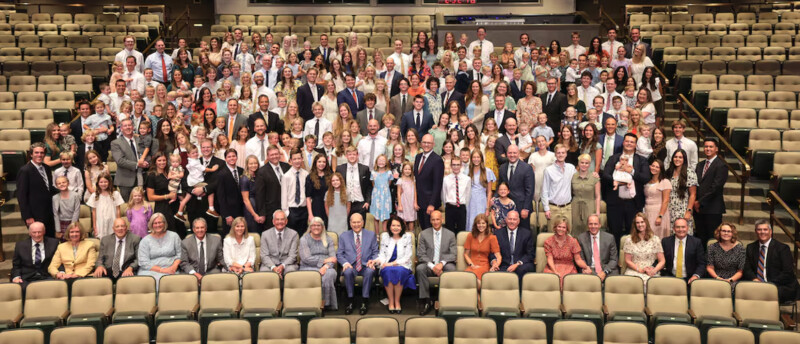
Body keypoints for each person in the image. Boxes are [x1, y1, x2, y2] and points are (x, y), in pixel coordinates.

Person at [602, 133, 650, 244]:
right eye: (627, 141)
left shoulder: (642, 160)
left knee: (633, 233)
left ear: (635, 145)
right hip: (615, 202)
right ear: (623, 143)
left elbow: (646, 177)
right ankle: (615, 259)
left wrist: (631, 171)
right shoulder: (614, 158)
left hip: (633, 203)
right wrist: (618, 182)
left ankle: (631, 259)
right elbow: (605, 175)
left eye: (632, 142)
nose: (629, 144)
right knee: (614, 233)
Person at [743, 220, 800, 303]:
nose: (762, 232)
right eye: (759, 229)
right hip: (757, 283)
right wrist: (754, 279)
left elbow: (787, 273)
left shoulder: (782, 248)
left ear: (770, 231)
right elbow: (747, 268)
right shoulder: (750, 247)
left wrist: (768, 284)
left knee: (764, 294)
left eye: (765, 229)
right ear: (756, 231)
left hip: (780, 285)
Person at [416, 211, 457, 315]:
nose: (435, 222)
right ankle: (426, 301)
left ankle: (446, 300)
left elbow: (453, 254)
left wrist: (441, 264)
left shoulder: (450, 234)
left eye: (437, 219)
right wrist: (433, 266)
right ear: (430, 220)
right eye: (433, 219)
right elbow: (421, 254)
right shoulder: (424, 234)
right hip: (429, 264)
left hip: (445, 264)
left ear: (442, 220)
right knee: (420, 268)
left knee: (452, 269)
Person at [337, 213, 379, 315]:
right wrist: (345, 263)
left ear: (363, 222)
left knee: (370, 271)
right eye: (354, 222)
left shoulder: (371, 235)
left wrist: (372, 261)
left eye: (358, 222)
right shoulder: (344, 236)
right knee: (347, 272)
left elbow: (375, 252)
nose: (356, 224)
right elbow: (339, 254)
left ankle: (364, 300)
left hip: (365, 265)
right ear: (350, 223)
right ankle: (350, 300)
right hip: (351, 265)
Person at [18, 143, 59, 237]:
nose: (39, 155)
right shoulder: (25, 171)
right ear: (31, 154)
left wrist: (64, 192)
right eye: (36, 153)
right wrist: (27, 216)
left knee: (50, 240)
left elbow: (48, 188)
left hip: (48, 212)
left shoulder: (47, 168)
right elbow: (21, 196)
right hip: (34, 214)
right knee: (38, 241)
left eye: (41, 153)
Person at [378, 216, 416, 314]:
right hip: (387, 266)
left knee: (398, 271)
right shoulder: (385, 236)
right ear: (389, 226)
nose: (395, 227)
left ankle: (397, 301)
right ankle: (391, 301)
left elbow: (407, 257)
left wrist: (391, 264)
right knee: (388, 271)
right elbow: (382, 254)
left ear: (402, 227)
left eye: (398, 225)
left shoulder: (407, 237)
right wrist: (378, 261)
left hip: (403, 265)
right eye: (393, 225)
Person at [299, 217, 338, 310]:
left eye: (318, 225)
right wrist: (324, 261)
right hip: (307, 267)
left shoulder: (328, 239)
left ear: (322, 227)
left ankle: (326, 304)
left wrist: (327, 266)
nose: (316, 227)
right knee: (311, 275)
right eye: (313, 225)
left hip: (326, 267)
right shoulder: (304, 239)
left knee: (330, 274)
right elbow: (306, 258)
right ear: (310, 227)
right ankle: (311, 304)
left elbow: (333, 258)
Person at [693, 139, 726, 247]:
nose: (708, 149)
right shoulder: (700, 165)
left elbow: (715, 188)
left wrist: (699, 202)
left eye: (711, 146)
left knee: (712, 239)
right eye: (706, 146)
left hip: (713, 209)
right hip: (698, 209)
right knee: (700, 238)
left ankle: (711, 263)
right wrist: (695, 202)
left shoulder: (721, 165)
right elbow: (696, 184)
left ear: (716, 149)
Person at [543, 216, 591, 286]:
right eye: (559, 226)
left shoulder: (573, 241)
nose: (561, 229)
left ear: (567, 229)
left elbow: (578, 259)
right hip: (553, 266)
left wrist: (586, 267)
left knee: (567, 279)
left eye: (563, 227)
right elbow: (549, 259)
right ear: (555, 227)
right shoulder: (548, 241)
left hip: (569, 267)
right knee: (551, 279)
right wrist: (555, 271)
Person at [138, 213, 182, 288]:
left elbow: (180, 254)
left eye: (160, 222)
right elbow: (143, 262)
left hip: (171, 269)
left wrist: (174, 267)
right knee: (152, 282)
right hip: (150, 271)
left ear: (164, 223)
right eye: (155, 223)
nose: (158, 225)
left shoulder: (174, 236)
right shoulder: (145, 240)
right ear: (151, 225)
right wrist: (163, 270)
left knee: (174, 282)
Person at [11, 222, 59, 289]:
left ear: (44, 232)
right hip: (27, 278)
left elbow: (59, 262)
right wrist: (16, 277)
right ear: (29, 233)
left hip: (47, 276)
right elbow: (16, 266)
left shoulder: (54, 243)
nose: (37, 235)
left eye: (39, 232)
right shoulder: (20, 245)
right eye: (34, 232)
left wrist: (61, 272)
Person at [497, 145, 535, 230]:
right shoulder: (502, 168)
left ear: (518, 154)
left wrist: (526, 208)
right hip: (505, 207)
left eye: (514, 153)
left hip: (521, 208)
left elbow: (530, 190)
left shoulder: (527, 168)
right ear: (507, 154)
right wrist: (495, 199)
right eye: (510, 153)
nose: (512, 155)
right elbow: (500, 186)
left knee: (523, 234)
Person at [623, 213, 665, 286]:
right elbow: (627, 260)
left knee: (653, 285)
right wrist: (639, 270)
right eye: (637, 223)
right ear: (635, 225)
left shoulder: (655, 239)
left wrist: (654, 270)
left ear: (646, 223)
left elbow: (662, 261)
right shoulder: (629, 240)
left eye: (642, 222)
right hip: (634, 270)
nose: (640, 225)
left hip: (651, 270)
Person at [491, 211, 534, 283]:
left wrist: (517, 264)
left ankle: (520, 293)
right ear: (506, 220)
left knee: (523, 269)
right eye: (510, 219)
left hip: (520, 264)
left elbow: (530, 254)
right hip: (503, 264)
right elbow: (492, 252)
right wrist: (494, 262)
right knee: (497, 272)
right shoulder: (498, 234)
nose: (512, 222)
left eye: (514, 219)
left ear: (518, 221)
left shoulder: (526, 234)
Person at [541, 144, 577, 230]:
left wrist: (593, 174)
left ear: (566, 154)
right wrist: (546, 209)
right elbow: (544, 191)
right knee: (552, 235)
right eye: (558, 153)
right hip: (553, 208)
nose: (561, 155)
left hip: (567, 208)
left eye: (563, 153)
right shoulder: (548, 170)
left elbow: (580, 178)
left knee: (568, 236)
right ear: (555, 154)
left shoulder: (571, 168)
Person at [110, 119, 147, 201]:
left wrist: (147, 162)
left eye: (129, 125)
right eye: (125, 126)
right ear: (121, 128)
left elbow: (147, 154)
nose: (128, 127)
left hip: (141, 179)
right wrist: (137, 164)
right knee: (128, 207)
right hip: (125, 181)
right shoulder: (116, 143)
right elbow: (120, 161)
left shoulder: (140, 140)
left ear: (133, 127)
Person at [661, 218, 706, 284]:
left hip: (689, 279)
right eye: (678, 227)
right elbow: (660, 260)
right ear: (673, 229)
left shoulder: (696, 242)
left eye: (683, 227)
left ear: (687, 228)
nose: (680, 229)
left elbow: (702, 263)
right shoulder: (666, 241)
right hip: (670, 277)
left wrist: (695, 276)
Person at [414, 134, 445, 230]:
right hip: (419, 203)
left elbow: (437, 185)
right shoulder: (418, 157)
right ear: (421, 143)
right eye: (424, 142)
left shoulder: (437, 160)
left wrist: (431, 204)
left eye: (429, 143)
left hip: (430, 204)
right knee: (423, 229)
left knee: (430, 230)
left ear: (433, 144)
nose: (426, 145)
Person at [255, 145, 291, 226]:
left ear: (279, 154)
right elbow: (259, 195)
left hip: (288, 208)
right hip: (270, 210)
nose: (274, 156)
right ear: (267, 156)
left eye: (276, 154)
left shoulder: (287, 167)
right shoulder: (262, 172)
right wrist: (262, 213)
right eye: (272, 155)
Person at [577, 214, 618, 280]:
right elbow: (581, 258)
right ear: (587, 225)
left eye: (595, 224)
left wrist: (604, 272)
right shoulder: (581, 238)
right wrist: (586, 268)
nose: (593, 226)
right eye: (590, 224)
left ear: (600, 225)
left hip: (606, 269)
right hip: (589, 269)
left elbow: (614, 259)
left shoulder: (609, 238)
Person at [336, 147, 373, 221]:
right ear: (346, 156)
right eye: (349, 154)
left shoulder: (364, 169)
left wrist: (367, 202)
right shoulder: (340, 169)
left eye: (354, 154)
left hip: (360, 203)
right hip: (345, 203)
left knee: (360, 226)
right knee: (346, 227)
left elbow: (369, 186)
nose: (352, 156)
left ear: (357, 155)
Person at [464, 214, 500, 288]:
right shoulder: (470, 236)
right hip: (472, 266)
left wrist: (496, 265)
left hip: (484, 266)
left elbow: (498, 256)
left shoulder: (492, 238)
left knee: (472, 280)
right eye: (479, 223)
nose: (481, 225)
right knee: (465, 278)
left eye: (483, 223)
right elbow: (466, 254)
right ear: (475, 225)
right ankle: (479, 298)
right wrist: (471, 264)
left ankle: (478, 297)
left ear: (487, 224)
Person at [666, 149, 698, 235]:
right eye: (675, 157)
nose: (677, 159)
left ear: (684, 159)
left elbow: (693, 194)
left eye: (680, 157)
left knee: (683, 235)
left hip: (682, 210)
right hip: (669, 210)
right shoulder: (669, 172)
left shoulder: (690, 173)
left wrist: (688, 211)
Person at [259, 209, 300, 276]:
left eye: (282, 219)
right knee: (265, 272)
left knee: (291, 271)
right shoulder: (265, 235)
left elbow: (292, 256)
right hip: (270, 264)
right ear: (273, 221)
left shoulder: (293, 234)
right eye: (277, 219)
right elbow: (264, 256)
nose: (280, 222)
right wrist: (274, 268)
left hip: (287, 264)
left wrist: (282, 266)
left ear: (286, 221)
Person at [706, 222, 745, 288]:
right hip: (716, 278)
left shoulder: (740, 249)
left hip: (733, 279)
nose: (726, 233)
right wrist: (717, 278)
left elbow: (740, 271)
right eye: (723, 231)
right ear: (719, 232)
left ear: (732, 233)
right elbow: (709, 267)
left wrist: (730, 280)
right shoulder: (712, 247)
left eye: (729, 231)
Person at [281, 148, 310, 236]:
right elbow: (284, 196)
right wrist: (286, 213)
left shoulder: (306, 174)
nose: (297, 161)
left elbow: (308, 194)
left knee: (303, 235)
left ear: (302, 159)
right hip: (292, 210)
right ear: (290, 161)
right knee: (291, 236)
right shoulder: (286, 176)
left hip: (303, 210)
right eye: (294, 159)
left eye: (299, 158)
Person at [571, 154, 602, 237]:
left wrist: (597, 212)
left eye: (586, 163)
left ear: (589, 164)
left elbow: (598, 196)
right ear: (579, 163)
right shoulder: (573, 176)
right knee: (575, 228)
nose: (584, 165)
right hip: (575, 206)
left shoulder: (595, 178)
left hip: (590, 205)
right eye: (582, 162)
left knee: (588, 229)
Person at [644, 159, 672, 239]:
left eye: (657, 167)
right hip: (647, 211)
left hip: (658, 212)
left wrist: (660, 216)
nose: (654, 168)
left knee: (657, 237)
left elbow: (665, 201)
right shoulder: (647, 181)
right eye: (653, 166)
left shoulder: (664, 181)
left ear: (661, 169)